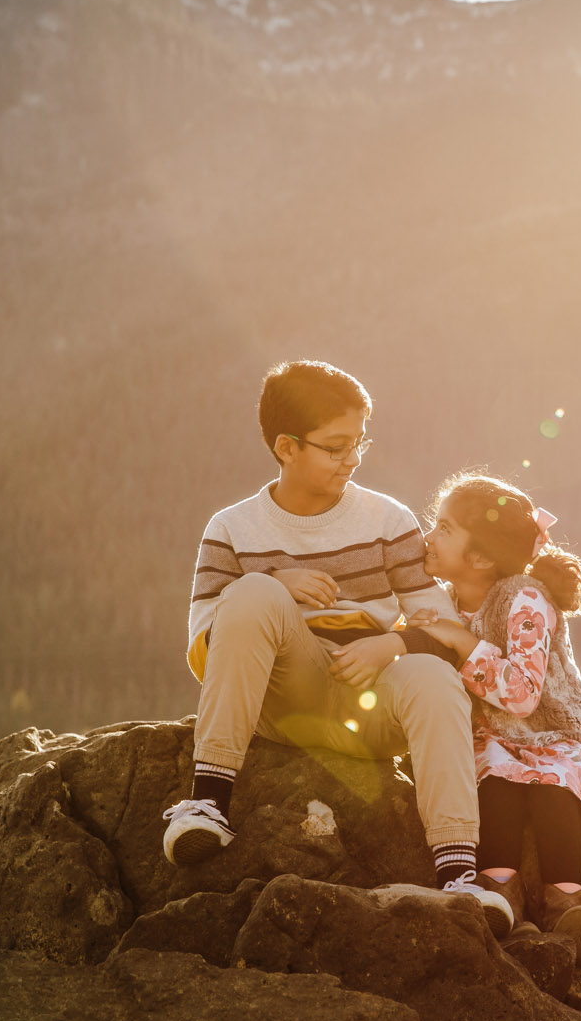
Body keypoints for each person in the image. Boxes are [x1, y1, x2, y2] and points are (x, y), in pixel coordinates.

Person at [163, 361, 514, 935]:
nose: (352, 458)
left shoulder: (387, 519)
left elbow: (446, 628)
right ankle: (206, 804)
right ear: (286, 447)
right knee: (250, 592)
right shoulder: (231, 530)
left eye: (359, 443)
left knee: (433, 677)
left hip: (372, 705)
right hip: (285, 702)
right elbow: (206, 647)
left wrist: (390, 645)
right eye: (335, 447)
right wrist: (275, 581)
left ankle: (459, 875)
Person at [409, 472, 581, 962]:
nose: (428, 537)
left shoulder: (524, 600)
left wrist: (461, 642)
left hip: (549, 729)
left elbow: (524, 695)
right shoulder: (441, 598)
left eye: (443, 529)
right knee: (495, 783)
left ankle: (567, 901)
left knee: (553, 785)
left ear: (480, 557)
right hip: (490, 736)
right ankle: (500, 893)